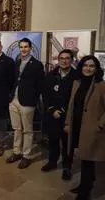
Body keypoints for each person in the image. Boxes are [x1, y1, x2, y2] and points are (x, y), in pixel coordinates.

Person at [64, 55, 105, 200]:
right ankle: (85, 184)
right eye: (85, 66)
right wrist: (68, 122)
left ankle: (85, 191)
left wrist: (100, 124)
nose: (88, 69)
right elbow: (71, 104)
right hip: (77, 126)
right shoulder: (77, 82)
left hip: (91, 128)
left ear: (96, 68)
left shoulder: (101, 85)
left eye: (91, 66)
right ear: (81, 67)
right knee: (82, 157)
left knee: (88, 159)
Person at [7, 38, 45, 169]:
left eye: (26, 47)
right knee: (16, 129)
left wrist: (34, 100)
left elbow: (40, 85)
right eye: (21, 47)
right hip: (14, 100)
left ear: (30, 48)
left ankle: (26, 155)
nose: (23, 49)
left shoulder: (37, 64)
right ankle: (17, 152)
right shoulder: (16, 62)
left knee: (27, 130)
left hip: (27, 102)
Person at [41, 49, 76, 180]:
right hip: (52, 114)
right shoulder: (50, 75)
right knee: (53, 140)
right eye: (61, 58)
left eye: (67, 58)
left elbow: (77, 98)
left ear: (71, 60)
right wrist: (52, 110)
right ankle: (52, 162)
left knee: (68, 143)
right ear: (58, 60)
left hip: (68, 116)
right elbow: (46, 95)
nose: (64, 61)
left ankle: (67, 167)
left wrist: (65, 112)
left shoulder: (77, 76)